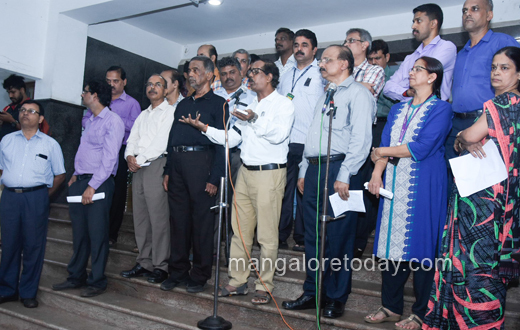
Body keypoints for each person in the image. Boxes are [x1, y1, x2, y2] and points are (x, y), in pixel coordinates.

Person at [180, 59, 294, 305]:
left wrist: (254, 119)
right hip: (245, 172)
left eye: (255, 72)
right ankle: (238, 280)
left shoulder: (284, 105)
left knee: (266, 235)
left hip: (269, 173)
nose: (250, 76)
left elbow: (279, 135)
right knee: (239, 231)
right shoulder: (249, 104)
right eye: (250, 72)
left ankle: (264, 285)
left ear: (270, 77)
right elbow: (231, 137)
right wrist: (204, 128)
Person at [424, 46, 520, 330]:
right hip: (505, 202)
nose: (496, 73)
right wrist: (467, 140)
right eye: (493, 67)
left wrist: (464, 138)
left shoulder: (503, 103)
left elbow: (470, 134)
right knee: (484, 267)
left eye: (504, 68)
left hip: (484, 203)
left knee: (474, 266)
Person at [282, 45, 374, 319]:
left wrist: (346, 173)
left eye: (327, 60)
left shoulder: (358, 93)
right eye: (321, 60)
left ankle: (335, 296)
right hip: (313, 169)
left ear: (344, 64)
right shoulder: (326, 93)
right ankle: (312, 291)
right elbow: (313, 134)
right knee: (313, 236)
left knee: (338, 236)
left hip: (339, 170)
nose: (322, 64)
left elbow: (361, 138)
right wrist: (302, 170)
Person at [364, 57, 452, 330]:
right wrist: (377, 172)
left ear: (432, 77)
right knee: (391, 245)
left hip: (424, 182)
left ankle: (421, 312)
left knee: (422, 244)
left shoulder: (441, 109)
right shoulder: (398, 109)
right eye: (412, 69)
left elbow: (421, 147)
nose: (411, 73)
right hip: (392, 179)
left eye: (417, 70)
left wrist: (381, 153)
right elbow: (386, 142)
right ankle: (391, 306)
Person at [160, 56, 228, 293]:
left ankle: (199, 275)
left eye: (196, 70)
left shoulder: (219, 103)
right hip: (177, 164)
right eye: (189, 70)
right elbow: (172, 138)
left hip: (202, 163)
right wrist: (168, 169)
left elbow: (223, 143)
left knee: (201, 222)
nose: (191, 74)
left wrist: (215, 177)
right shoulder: (183, 103)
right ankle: (177, 271)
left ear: (210, 75)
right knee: (178, 220)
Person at [52, 80, 124, 298]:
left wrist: (92, 186)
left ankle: (97, 280)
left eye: (84, 92)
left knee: (97, 234)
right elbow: (86, 151)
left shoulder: (113, 121)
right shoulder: (90, 120)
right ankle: (76, 276)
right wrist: (75, 175)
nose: (82, 95)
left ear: (94, 95)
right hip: (81, 180)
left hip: (98, 182)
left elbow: (110, 159)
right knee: (80, 233)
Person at [445, 0, 518, 185]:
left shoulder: (502, 41)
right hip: (456, 124)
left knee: (488, 187)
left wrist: (476, 132)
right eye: (464, 10)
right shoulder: (461, 53)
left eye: (475, 9)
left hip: (487, 122)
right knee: (458, 186)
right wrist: (462, 136)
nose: (467, 13)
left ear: (489, 15)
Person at [0, 101, 65, 308]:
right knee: (9, 245)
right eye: (23, 110)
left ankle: (28, 293)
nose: (25, 113)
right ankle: (7, 290)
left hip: (36, 198)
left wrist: (44, 196)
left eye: (31, 111)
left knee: (33, 246)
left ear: (41, 118)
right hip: (10, 197)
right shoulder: (6, 141)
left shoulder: (50, 144)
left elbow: (60, 174)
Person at [119, 74, 176, 284]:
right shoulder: (143, 114)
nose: (153, 88)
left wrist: (138, 159)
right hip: (138, 168)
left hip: (155, 165)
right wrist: (129, 157)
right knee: (140, 217)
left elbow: (161, 142)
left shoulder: (170, 112)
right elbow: (132, 138)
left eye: (158, 85)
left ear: (166, 89)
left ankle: (161, 265)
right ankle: (144, 262)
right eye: (150, 84)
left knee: (158, 218)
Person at [277, 29, 326, 252]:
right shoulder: (285, 75)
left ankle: (303, 238)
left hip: (310, 142)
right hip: (286, 142)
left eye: (304, 45)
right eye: (296, 45)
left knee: (306, 191)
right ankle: (279, 235)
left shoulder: (322, 74)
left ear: (314, 49)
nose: (299, 49)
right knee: (283, 191)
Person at [83, 66, 141, 247]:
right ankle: (93, 231)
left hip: (121, 151)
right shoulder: (98, 99)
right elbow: (85, 120)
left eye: (116, 81)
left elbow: (136, 127)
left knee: (116, 193)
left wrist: (112, 118)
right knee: (96, 187)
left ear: (124, 82)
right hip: (96, 150)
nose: (111, 85)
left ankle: (111, 234)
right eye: (108, 81)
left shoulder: (132, 103)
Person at [354, 39, 399, 258]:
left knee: (378, 182)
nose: (373, 63)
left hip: (387, 128)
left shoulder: (396, 77)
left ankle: (367, 239)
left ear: (387, 58)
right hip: (366, 128)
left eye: (377, 59)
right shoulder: (362, 76)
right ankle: (358, 237)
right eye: (370, 59)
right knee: (362, 181)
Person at [383, 3, 456, 102]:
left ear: (433, 24)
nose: (413, 26)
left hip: (434, 110)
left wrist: (404, 84)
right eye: (413, 22)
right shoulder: (410, 57)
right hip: (409, 112)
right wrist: (407, 92)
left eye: (419, 21)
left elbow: (426, 75)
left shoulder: (446, 47)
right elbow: (388, 87)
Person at [2, 74, 50, 140]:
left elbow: (32, 131)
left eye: (13, 92)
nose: (10, 96)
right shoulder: (8, 108)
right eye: (8, 92)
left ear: (22, 90)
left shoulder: (33, 107)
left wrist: (12, 121)